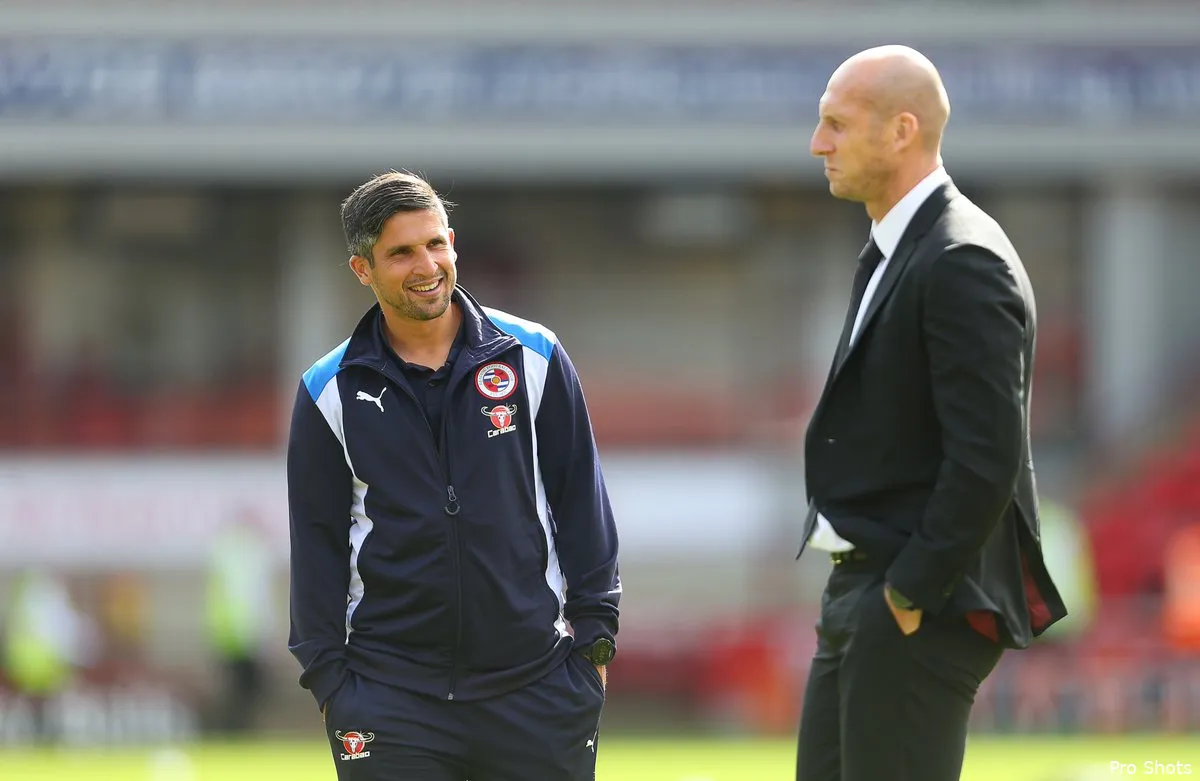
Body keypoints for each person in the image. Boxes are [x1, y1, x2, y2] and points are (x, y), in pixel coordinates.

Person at [287, 171, 620, 781]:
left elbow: (582, 504)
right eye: (401, 253)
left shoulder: (535, 356)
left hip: (537, 689)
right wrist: (331, 683)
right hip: (389, 698)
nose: (427, 266)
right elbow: (316, 544)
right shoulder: (326, 389)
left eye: (436, 243)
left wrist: (594, 646)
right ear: (362, 269)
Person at [794, 46, 1068, 781]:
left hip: (913, 600)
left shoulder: (960, 258)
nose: (817, 143)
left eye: (836, 124)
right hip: (866, 589)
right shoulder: (906, 247)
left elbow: (987, 455)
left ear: (901, 130)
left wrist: (910, 590)